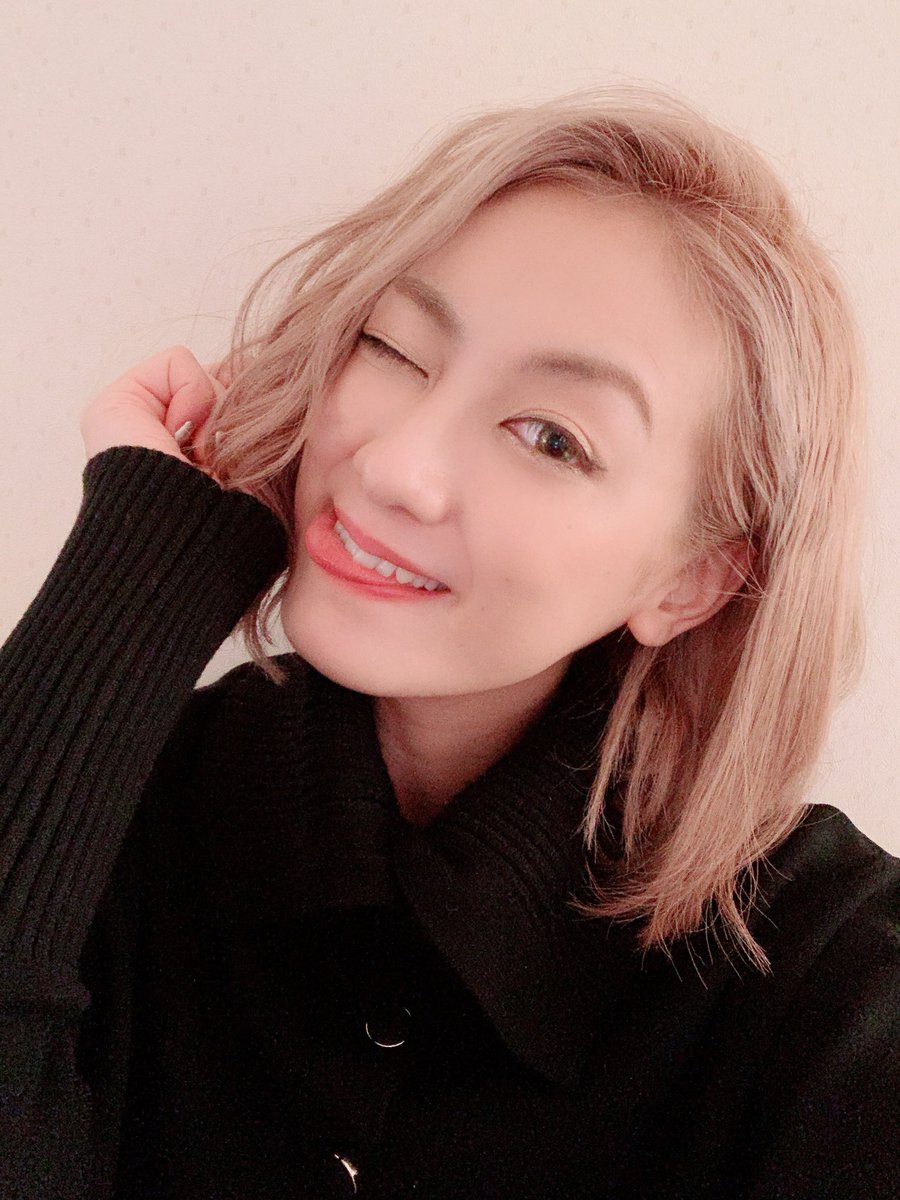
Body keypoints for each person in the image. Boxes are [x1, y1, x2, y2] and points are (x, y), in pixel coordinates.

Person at [1, 85, 897, 1199]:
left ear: (693, 579)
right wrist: (138, 570)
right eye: (394, 348)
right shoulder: (103, 805)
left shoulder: (831, 978)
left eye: (551, 437)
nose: (393, 465)